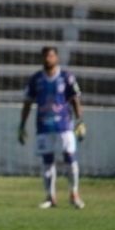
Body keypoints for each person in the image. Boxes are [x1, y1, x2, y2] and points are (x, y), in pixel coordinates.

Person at [18, 46, 85, 209]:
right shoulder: (36, 79)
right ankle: (50, 197)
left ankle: (74, 194)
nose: (48, 59)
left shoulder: (66, 77)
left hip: (64, 126)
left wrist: (80, 121)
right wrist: (22, 125)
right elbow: (27, 103)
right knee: (47, 161)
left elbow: (75, 100)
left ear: (56, 58)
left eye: (51, 56)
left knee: (70, 158)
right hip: (43, 126)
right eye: (45, 56)